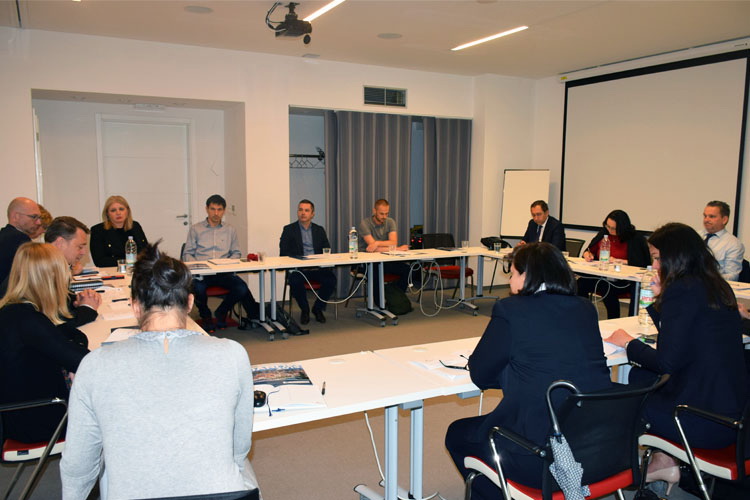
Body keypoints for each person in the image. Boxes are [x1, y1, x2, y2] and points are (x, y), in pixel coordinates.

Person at [60, 242, 261, 499]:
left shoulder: (95, 364)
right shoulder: (233, 354)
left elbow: (78, 465)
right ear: (189, 303)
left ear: (135, 306)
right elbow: (239, 447)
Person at [445, 242, 611, 498]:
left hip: (540, 458)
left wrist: (514, 371)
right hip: (595, 450)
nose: (510, 280)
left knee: (457, 434)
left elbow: (480, 374)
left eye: (512, 273)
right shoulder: (585, 308)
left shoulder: (511, 310)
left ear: (526, 276)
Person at [605, 223, 747, 493]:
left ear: (676, 257)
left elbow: (666, 363)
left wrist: (629, 342)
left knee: (622, 399)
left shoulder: (682, 292)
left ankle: (622, 471)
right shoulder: (716, 286)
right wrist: (660, 299)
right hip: (733, 416)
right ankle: (664, 460)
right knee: (637, 376)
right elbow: (682, 343)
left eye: (658, 258)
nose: (655, 265)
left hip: (700, 421)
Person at [0, 242, 89, 444]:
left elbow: (57, 339)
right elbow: (84, 361)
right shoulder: (29, 321)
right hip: (37, 418)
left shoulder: (14, 311)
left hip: (17, 411)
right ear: (50, 279)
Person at [183, 194, 257, 333]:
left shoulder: (230, 230)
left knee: (241, 288)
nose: (216, 213)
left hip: (223, 272)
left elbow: (236, 252)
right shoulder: (196, 229)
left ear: (224, 210)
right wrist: (198, 266)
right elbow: (187, 253)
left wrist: (229, 263)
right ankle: (206, 316)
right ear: (207, 209)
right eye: (213, 209)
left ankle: (222, 311)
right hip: (202, 274)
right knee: (198, 289)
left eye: (219, 209)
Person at [578, 209, 650, 318]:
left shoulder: (635, 238)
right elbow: (589, 250)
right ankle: (584, 317)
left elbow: (642, 263)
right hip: (603, 274)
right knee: (581, 283)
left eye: (613, 228)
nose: (610, 230)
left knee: (606, 287)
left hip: (624, 281)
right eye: (607, 226)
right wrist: (587, 254)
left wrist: (622, 261)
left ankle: (613, 319)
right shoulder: (604, 233)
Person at [279, 199, 336, 324]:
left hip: (317, 268)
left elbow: (327, 249)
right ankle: (305, 310)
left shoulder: (319, 230)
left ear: (312, 214)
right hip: (299, 269)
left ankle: (318, 308)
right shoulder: (289, 229)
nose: (303, 213)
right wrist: (299, 259)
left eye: (306, 210)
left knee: (331, 280)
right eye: (300, 210)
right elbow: (283, 252)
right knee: (295, 281)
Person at [44, 217, 101, 327]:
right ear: (60, 243)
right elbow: (59, 322)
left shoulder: (53, 266)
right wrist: (87, 308)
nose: (83, 252)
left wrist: (77, 300)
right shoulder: (43, 271)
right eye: (80, 247)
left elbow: (62, 304)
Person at [357, 198, 410, 291]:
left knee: (407, 269)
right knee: (376, 273)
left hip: (386, 258)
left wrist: (377, 243)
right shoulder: (364, 223)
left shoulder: (390, 221)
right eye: (381, 213)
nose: (384, 216)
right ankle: (380, 303)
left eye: (386, 213)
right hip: (368, 260)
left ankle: (396, 297)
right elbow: (372, 249)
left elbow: (393, 242)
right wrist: (396, 249)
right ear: (374, 211)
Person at [89, 195, 148, 267]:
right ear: (107, 213)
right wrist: (128, 261)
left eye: (121, 209)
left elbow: (146, 252)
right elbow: (99, 261)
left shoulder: (135, 226)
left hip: (136, 270)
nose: (118, 213)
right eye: (113, 210)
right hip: (111, 272)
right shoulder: (98, 230)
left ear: (127, 211)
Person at [0, 197, 42, 285]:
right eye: (34, 217)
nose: (38, 222)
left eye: (39, 218)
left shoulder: (4, 235)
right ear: (16, 216)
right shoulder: (20, 239)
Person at [702, 200, 744, 281]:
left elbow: (732, 276)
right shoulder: (696, 236)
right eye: (705, 216)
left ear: (724, 220)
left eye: (711, 216)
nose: (706, 220)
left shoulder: (733, 244)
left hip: (714, 287)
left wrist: (707, 277)